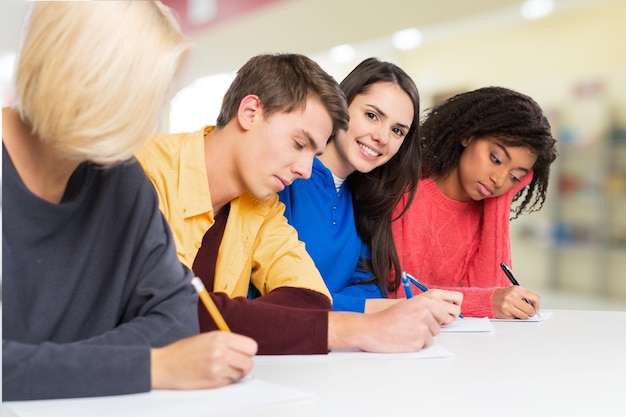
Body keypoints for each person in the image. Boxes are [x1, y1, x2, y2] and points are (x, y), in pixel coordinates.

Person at [2, 1, 257, 401]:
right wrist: (150, 366)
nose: (148, 121)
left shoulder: (124, 182)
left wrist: (41, 369)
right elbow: (165, 352)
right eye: (137, 95)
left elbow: (175, 321)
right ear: (75, 73)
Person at [136, 53, 457, 356]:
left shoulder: (260, 205)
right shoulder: (139, 173)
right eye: (298, 144)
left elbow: (311, 298)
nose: (306, 170)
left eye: (313, 153)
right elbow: (170, 311)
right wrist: (357, 329)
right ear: (250, 112)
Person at [278, 57, 463, 314]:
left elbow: (367, 285)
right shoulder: (284, 179)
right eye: (372, 115)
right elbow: (280, 297)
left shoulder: (365, 196)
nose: (382, 137)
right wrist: (394, 307)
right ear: (341, 106)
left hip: (345, 346)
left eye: (398, 131)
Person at [390, 86, 559, 319]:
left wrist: (500, 203)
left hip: (465, 345)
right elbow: (394, 294)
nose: (498, 180)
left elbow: (492, 292)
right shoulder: (402, 192)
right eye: (496, 158)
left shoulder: (488, 206)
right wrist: (486, 302)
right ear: (468, 134)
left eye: (515, 177)